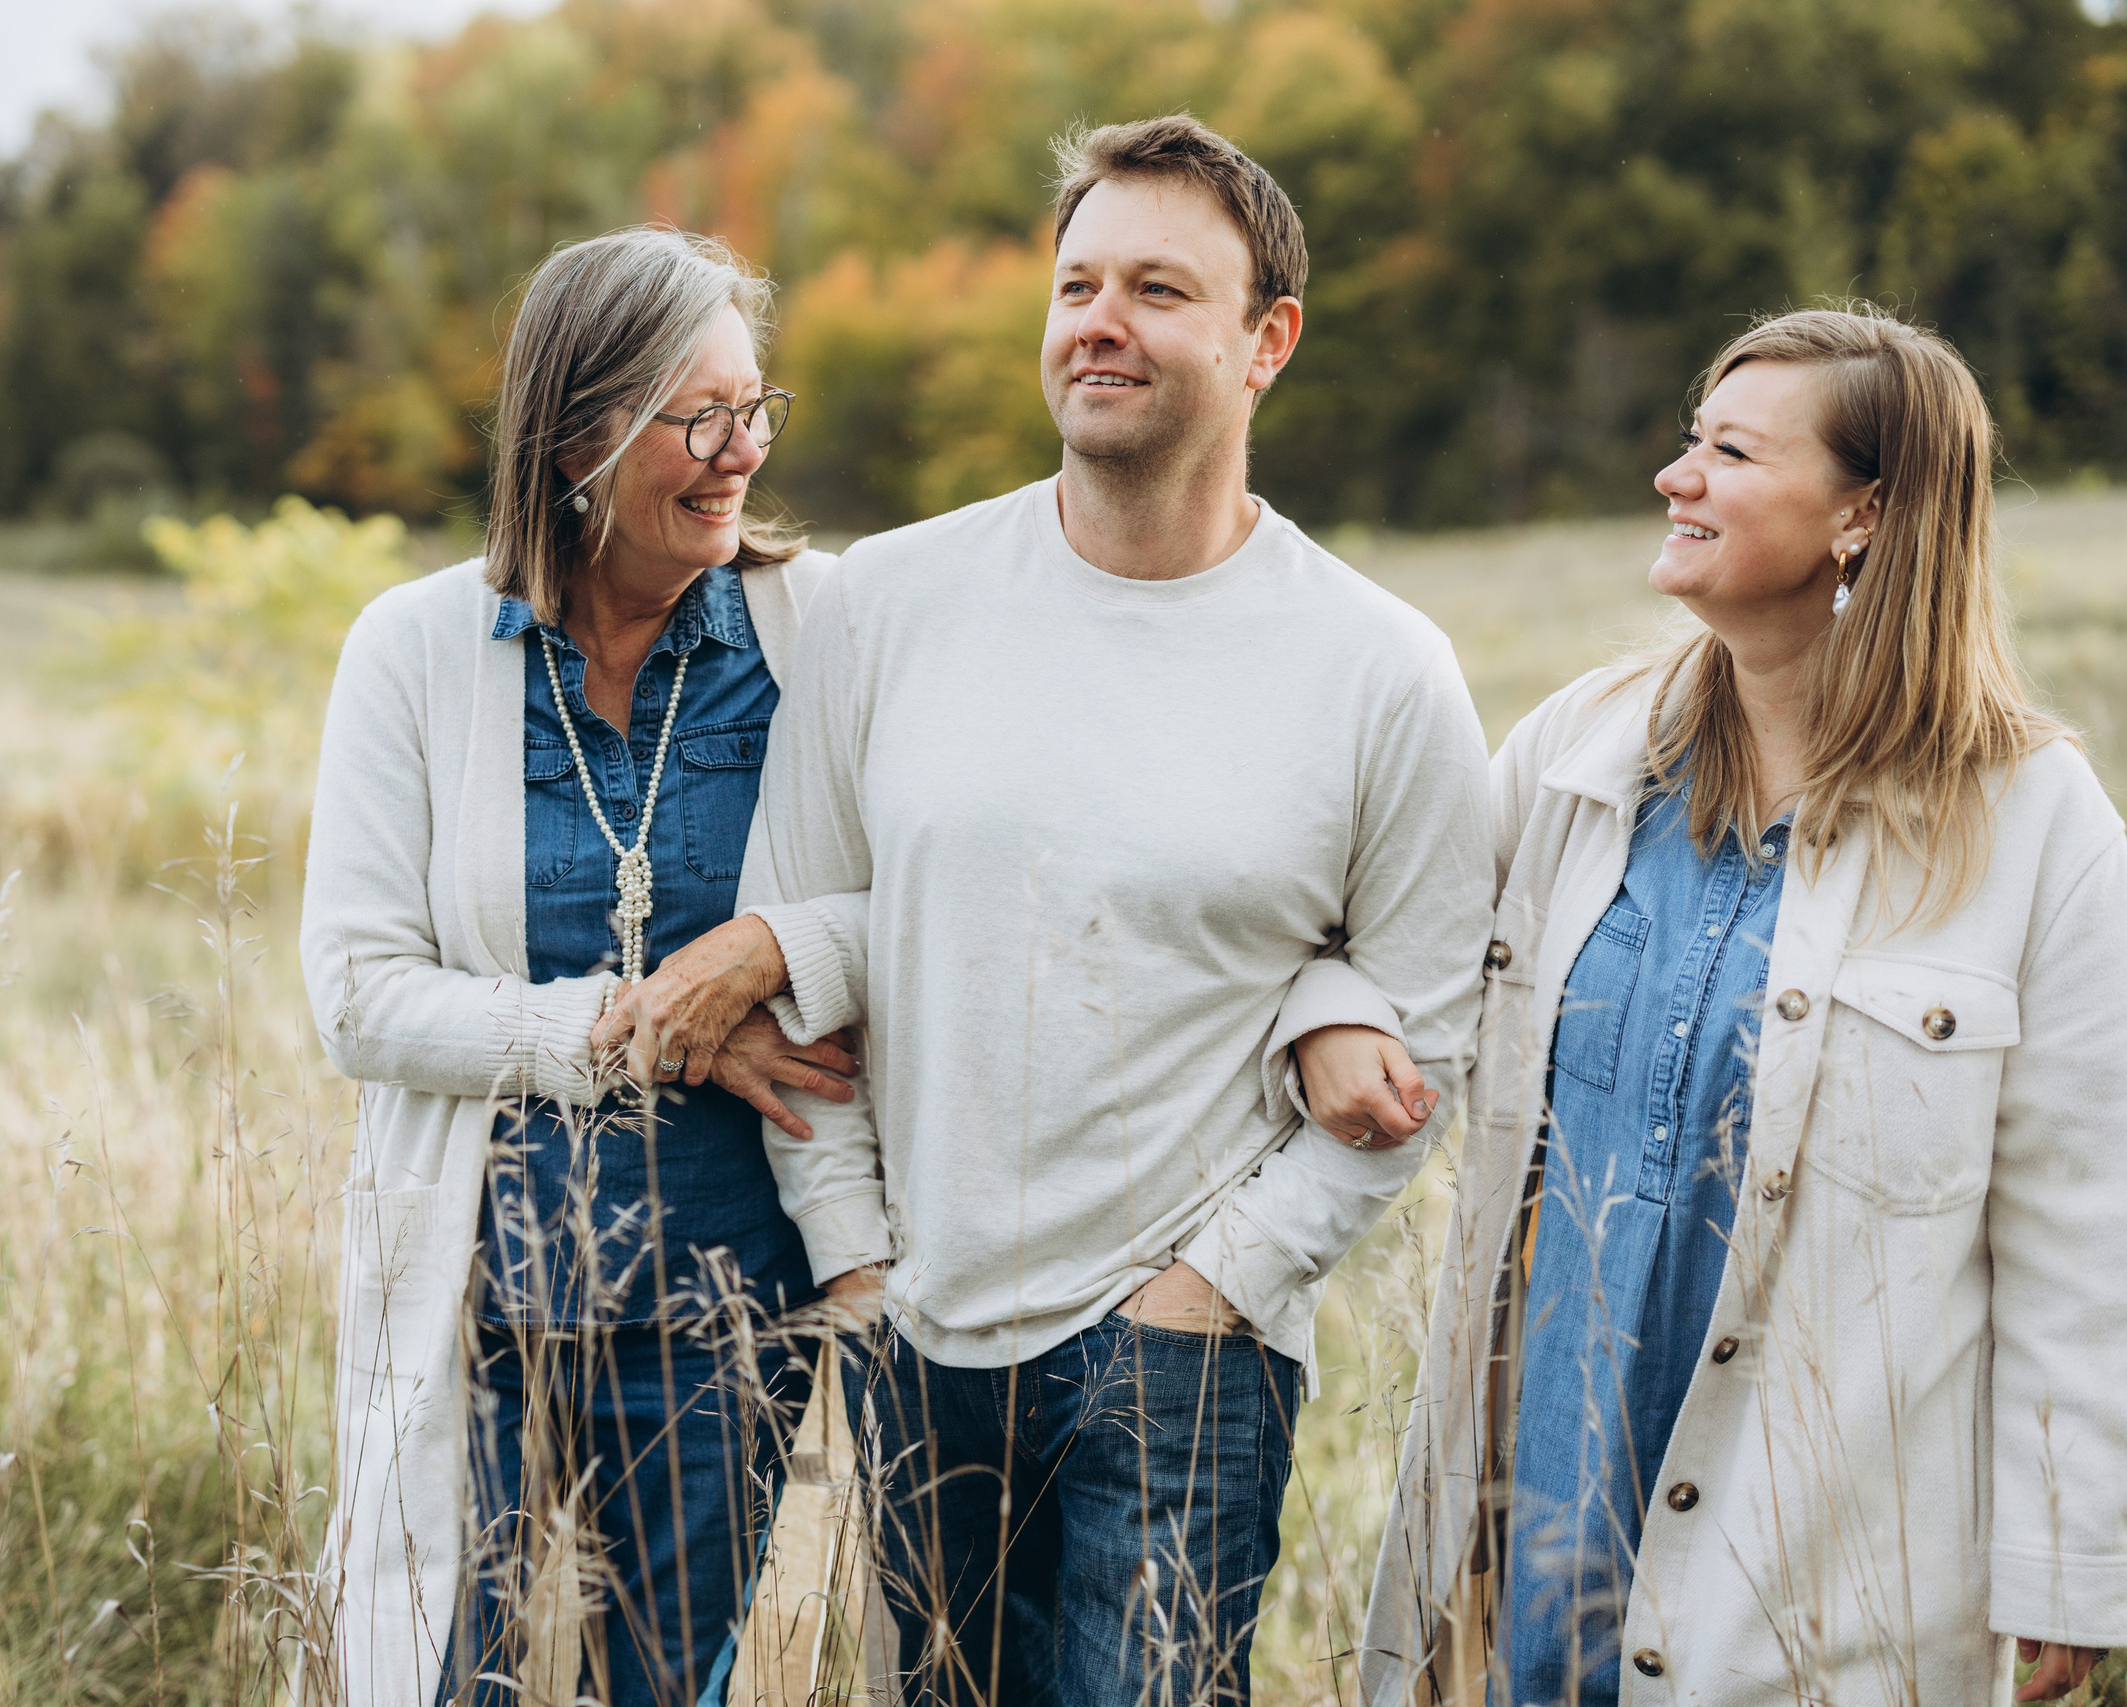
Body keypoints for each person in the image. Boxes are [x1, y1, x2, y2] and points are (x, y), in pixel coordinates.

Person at [606, 115, 1495, 1705]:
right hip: (917, 1337)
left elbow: (1433, 1022)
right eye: (1078, 282)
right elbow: (801, 949)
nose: (1100, 320)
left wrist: (1226, 1285)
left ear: (1266, 340)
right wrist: (861, 1266)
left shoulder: (1377, 665)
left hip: (1185, 1361)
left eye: (1160, 288)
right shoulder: (894, 603)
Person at [1339, 307, 2127, 1705]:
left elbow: (2084, 1217)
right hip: (1543, 1529)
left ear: (1862, 516)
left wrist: (2069, 1561)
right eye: (1690, 438)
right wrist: (1330, 1017)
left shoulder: (2034, 824)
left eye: (1730, 450)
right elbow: (1388, 958)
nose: (1675, 476)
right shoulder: (1576, 757)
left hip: (1829, 1571)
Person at [300, 226, 866, 1707]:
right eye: (698, 418)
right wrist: (640, 1029)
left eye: (755, 408)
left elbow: (924, 903)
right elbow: (357, 997)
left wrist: (764, 952)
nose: (740, 451)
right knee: (435, 1679)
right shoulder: (414, 651)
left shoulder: (827, 632)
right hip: (477, 1303)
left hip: (729, 1310)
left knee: (666, 1689)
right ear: (575, 433)